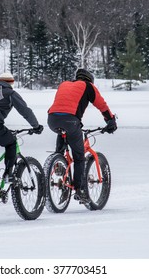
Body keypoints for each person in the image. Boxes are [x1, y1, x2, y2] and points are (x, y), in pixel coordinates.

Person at [47, 68, 117, 202]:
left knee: (64, 134)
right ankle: (80, 190)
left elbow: (63, 104)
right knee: (79, 156)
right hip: (71, 121)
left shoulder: (64, 84)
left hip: (52, 119)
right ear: (90, 80)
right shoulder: (88, 86)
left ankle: (58, 162)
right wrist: (110, 121)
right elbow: (102, 106)